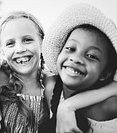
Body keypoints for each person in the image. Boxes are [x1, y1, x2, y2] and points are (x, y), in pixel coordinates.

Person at [42, 3, 117, 133]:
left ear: (105, 73)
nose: (76, 58)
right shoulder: (51, 87)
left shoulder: (110, 106)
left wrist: (68, 106)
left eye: (91, 56)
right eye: (70, 49)